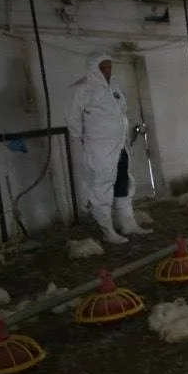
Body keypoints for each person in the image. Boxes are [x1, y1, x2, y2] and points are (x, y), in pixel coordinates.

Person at [66, 52, 150, 244]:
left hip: (120, 146)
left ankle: (128, 223)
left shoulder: (114, 87)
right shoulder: (82, 89)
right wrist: (84, 141)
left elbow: (121, 112)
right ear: (94, 68)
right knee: (102, 187)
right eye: (103, 67)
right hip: (99, 149)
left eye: (109, 66)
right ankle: (107, 230)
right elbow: (72, 119)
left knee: (123, 183)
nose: (107, 71)